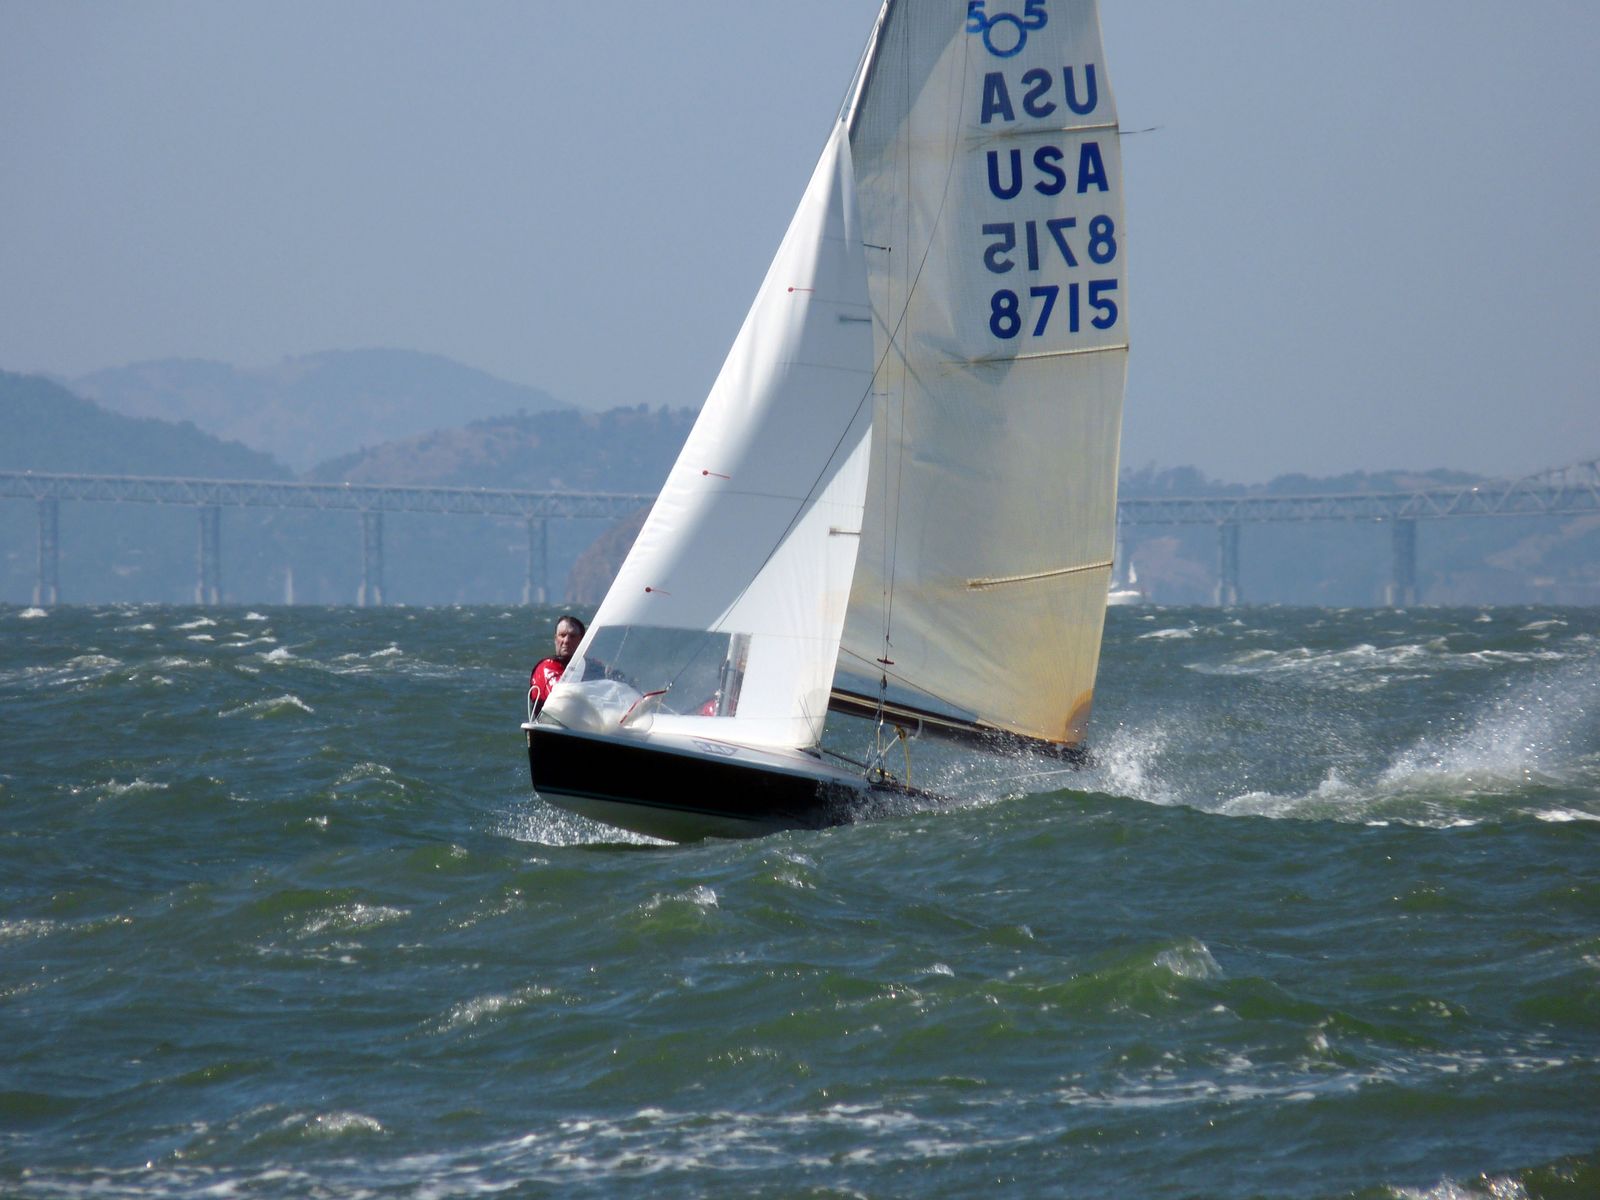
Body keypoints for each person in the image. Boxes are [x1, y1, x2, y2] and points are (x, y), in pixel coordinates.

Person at [528, 614, 585, 715]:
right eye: (562, 635)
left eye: (572, 636)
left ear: (582, 640)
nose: (566, 641)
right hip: (552, 723)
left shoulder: (591, 666)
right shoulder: (546, 667)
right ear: (555, 639)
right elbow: (561, 698)